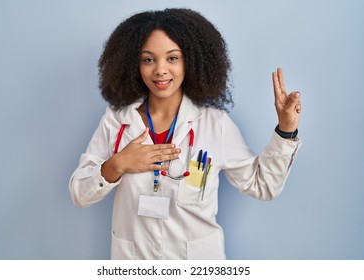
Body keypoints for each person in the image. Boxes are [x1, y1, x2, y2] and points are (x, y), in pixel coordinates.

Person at [69, 8, 302, 260]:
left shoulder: (215, 124)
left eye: (172, 58)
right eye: (148, 59)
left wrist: (286, 130)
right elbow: (80, 193)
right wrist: (117, 164)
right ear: (133, 64)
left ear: (191, 60)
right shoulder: (116, 121)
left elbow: (263, 185)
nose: (160, 70)